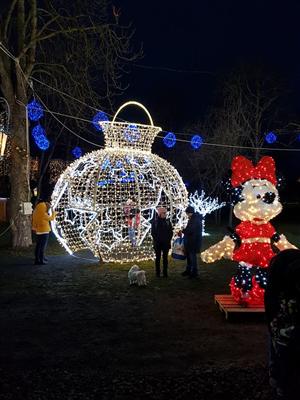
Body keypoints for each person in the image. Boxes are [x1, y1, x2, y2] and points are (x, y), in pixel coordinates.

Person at [264, 249, 300, 399]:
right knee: (286, 362)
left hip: (283, 335)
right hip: (285, 335)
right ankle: (281, 383)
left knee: (285, 361)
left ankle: (280, 381)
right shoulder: (284, 297)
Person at [32, 197, 56, 265]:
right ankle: (41, 260)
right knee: (42, 246)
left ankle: (37, 259)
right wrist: (54, 213)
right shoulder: (44, 214)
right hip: (44, 231)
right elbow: (51, 218)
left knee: (38, 245)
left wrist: (34, 227)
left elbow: (34, 221)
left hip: (38, 231)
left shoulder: (36, 212)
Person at [151, 207, 173, 277]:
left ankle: (165, 273)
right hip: (158, 243)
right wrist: (157, 240)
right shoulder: (155, 222)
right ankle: (158, 273)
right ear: (160, 214)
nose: (165, 214)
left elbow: (170, 232)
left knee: (165, 258)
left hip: (165, 243)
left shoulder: (167, 221)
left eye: (166, 213)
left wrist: (168, 239)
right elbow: (153, 233)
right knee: (157, 258)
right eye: (164, 213)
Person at [181, 205, 202, 278]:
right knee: (189, 257)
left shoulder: (195, 220)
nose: (186, 215)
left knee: (192, 257)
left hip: (193, 242)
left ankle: (194, 273)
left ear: (190, 212)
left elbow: (190, 230)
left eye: (187, 213)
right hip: (190, 241)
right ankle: (188, 270)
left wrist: (183, 230)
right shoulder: (193, 219)